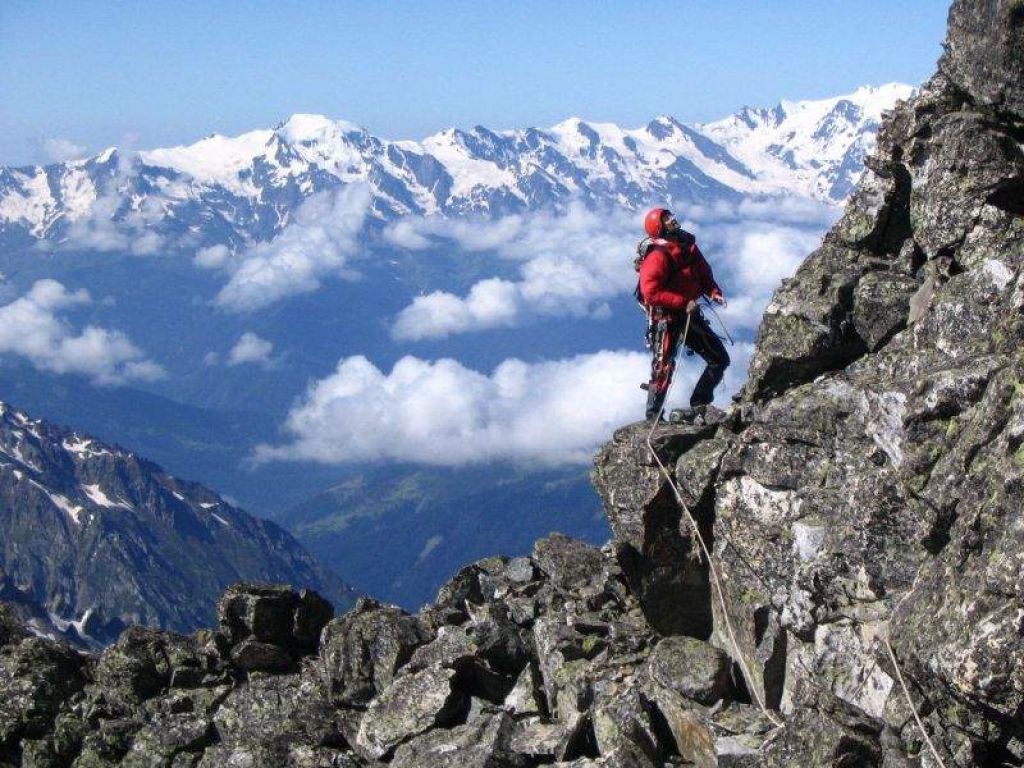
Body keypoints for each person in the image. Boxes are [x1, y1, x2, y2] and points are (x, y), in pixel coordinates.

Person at [638, 207, 729, 421]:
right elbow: (650, 293)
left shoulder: (687, 245)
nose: (673, 220)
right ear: (659, 227)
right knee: (663, 368)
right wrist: (682, 302)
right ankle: (653, 416)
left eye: (670, 216)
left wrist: (714, 291)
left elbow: (703, 272)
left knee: (719, 359)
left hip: (688, 313)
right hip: (666, 318)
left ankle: (700, 404)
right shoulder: (657, 257)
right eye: (667, 219)